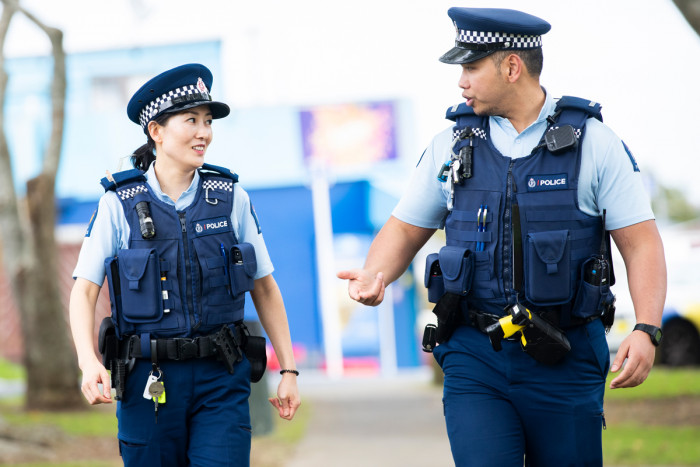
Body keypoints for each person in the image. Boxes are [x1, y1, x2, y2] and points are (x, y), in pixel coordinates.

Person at [338, 7, 666, 467]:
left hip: (565, 354)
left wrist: (647, 329)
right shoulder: (451, 144)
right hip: (476, 355)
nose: (461, 81)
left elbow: (641, 241)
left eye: (471, 67)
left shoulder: (594, 143)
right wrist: (376, 275)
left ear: (511, 67)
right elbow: (406, 227)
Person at [69, 63, 300, 466]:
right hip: (148, 380)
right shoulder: (118, 204)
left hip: (221, 376)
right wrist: (88, 362)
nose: (204, 133)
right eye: (191, 120)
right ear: (156, 131)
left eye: (208, 121)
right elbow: (83, 291)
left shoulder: (230, 197)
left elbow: (264, 285)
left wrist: (290, 372)